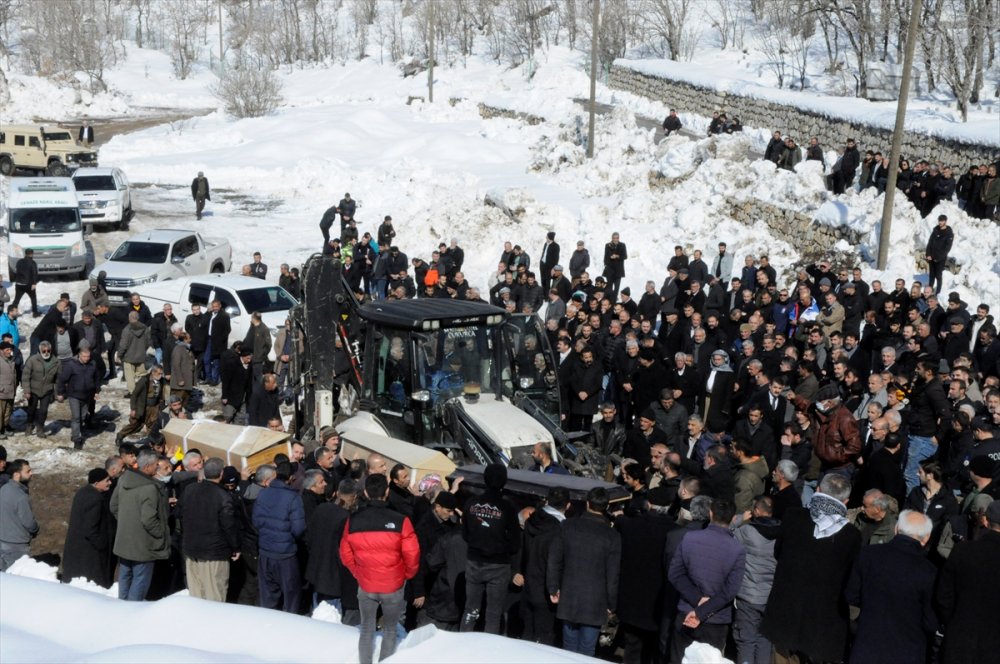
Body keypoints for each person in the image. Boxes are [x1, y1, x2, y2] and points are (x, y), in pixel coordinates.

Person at [761, 473, 861, 664]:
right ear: (846, 501)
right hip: (823, 618)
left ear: (818, 490)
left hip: (786, 608)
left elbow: (778, 552)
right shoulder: (852, 536)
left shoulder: (792, 516)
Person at [340, 473, 420, 664]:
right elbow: (413, 554)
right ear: (386, 492)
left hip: (366, 584)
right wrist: (406, 575)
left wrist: (358, 572)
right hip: (393, 585)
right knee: (390, 629)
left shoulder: (353, 520)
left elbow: (345, 553)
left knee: (367, 628)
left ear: (366, 492)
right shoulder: (402, 520)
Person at [845, 510, 937, 664]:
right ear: (926, 538)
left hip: (867, 645)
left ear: (896, 529)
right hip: (907, 651)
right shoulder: (930, 572)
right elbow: (930, 622)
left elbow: (851, 595)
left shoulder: (868, 555)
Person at [667, 497, 746, 661]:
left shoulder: (690, 538)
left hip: (687, 612)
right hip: (715, 620)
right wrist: (702, 608)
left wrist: (697, 603)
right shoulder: (737, 549)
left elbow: (675, 574)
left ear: (710, 514)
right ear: (733, 519)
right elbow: (729, 591)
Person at [547, 487, 621, 657]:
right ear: (607, 507)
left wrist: (553, 587)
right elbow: (613, 574)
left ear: (587, 503)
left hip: (569, 593)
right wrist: (611, 603)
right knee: (587, 651)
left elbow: (554, 559)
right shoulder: (612, 536)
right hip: (596, 600)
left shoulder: (567, 525)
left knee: (568, 648)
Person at [936, 499, 1000, 664]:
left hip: (961, 638)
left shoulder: (963, 550)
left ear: (985, 520)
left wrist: (954, 620)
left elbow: (944, 595)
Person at [460, 463, 520, 635]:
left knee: (471, 609)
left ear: (484, 479)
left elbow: (464, 533)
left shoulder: (471, 503)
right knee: (493, 614)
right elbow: (516, 543)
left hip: (473, 561)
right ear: (505, 482)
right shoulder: (508, 508)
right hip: (499, 565)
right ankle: (488, 652)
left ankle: (461, 646)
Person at [110, 448, 170, 600]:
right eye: (156, 465)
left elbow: (114, 506)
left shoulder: (124, 479)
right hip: (143, 544)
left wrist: (127, 522)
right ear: (148, 467)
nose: (157, 467)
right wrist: (161, 534)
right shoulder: (150, 488)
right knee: (140, 579)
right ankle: (132, 612)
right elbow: (149, 519)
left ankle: (121, 606)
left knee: (125, 575)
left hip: (124, 539)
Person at [182, 457, 240, 602]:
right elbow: (228, 526)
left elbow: (179, 513)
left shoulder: (190, 489)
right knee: (215, 596)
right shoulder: (223, 496)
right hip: (214, 553)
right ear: (221, 474)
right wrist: (236, 547)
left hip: (191, 550)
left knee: (197, 595)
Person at [252, 461, 305, 613]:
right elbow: (299, 529)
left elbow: (256, 521)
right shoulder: (293, 498)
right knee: (291, 598)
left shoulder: (263, 493)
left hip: (265, 552)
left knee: (268, 598)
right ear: (291, 477)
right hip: (285, 555)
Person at [62, 468, 114, 587]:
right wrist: (102, 544)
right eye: (107, 480)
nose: (110, 482)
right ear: (96, 483)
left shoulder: (82, 492)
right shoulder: (96, 499)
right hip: (89, 552)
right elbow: (91, 529)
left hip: (76, 548)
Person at [56, 345, 101, 450]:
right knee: (76, 417)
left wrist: (97, 391)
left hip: (87, 396)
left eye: (88, 356)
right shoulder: (71, 365)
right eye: (85, 356)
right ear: (80, 355)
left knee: (82, 417)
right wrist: (60, 393)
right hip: (74, 395)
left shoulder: (92, 364)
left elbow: (97, 378)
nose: (87, 359)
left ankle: (75, 433)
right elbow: (62, 379)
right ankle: (77, 439)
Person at [0, 459, 38, 571]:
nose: (31, 473)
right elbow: (29, 522)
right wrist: (36, 528)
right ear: (16, 474)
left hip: (2, 540)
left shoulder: (3, 489)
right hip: (17, 544)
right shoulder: (20, 496)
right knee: (19, 576)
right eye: (28, 471)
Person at [116, 364, 165, 444]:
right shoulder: (144, 380)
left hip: (154, 407)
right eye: (159, 373)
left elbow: (161, 393)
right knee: (136, 425)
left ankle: (152, 443)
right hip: (143, 407)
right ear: (153, 372)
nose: (160, 375)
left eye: (161, 373)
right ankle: (120, 435)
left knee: (152, 425)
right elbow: (134, 395)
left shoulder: (161, 381)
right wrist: (133, 408)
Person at [20, 340, 59, 438]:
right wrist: (27, 390)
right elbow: (25, 376)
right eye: (44, 351)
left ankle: (40, 428)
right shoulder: (33, 360)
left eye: (48, 350)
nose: (46, 353)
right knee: (32, 409)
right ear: (40, 351)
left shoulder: (56, 362)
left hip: (47, 390)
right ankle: (29, 425)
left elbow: (58, 379)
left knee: (43, 411)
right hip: (33, 390)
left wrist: (57, 392)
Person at [117, 311, 151, 393]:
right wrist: (143, 350)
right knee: (141, 376)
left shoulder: (127, 329)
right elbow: (148, 342)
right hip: (141, 356)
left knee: (130, 378)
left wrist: (119, 355)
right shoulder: (145, 328)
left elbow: (123, 345)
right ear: (138, 318)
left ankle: (133, 394)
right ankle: (142, 392)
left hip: (129, 357)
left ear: (129, 318)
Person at [925, 214, 954, 294]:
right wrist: (928, 254)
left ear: (945, 221)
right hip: (931, 257)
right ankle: (929, 290)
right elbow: (930, 243)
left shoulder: (949, 233)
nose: (940, 223)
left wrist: (937, 257)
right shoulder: (936, 230)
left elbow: (947, 248)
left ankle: (938, 292)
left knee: (938, 275)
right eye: (939, 221)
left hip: (940, 258)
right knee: (931, 275)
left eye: (942, 221)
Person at [11, 249, 40, 318]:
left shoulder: (19, 261)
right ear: (31, 254)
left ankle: (12, 312)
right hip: (28, 284)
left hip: (19, 284)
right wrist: (34, 283)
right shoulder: (32, 262)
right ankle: (35, 313)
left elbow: (16, 271)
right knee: (33, 298)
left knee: (16, 299)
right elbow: (34, 274)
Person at [0, 342, 16, 438]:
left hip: (10, 391)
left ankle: (4, 429)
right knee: (0, 413)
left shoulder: (11, 360)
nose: (9, 352)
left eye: (10, 350)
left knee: (7, 412)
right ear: (1, 351)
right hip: (1, 392)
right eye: (7, 350)